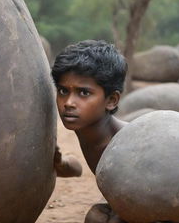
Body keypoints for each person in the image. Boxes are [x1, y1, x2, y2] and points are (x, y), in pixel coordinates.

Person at [51, 40, 128, 223]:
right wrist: (60, 163)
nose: (68, 102)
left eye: (83, 93)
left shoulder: (125, 146)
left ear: (111, 100)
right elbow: (77, 169)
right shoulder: (89, 132)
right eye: (63, 90)